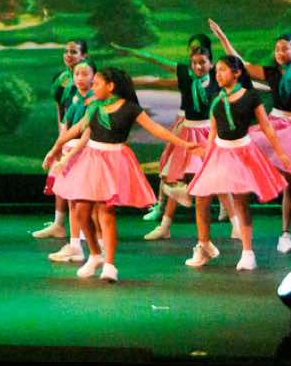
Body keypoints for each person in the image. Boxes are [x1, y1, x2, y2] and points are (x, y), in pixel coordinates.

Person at [38, 66, 198, 282]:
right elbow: (76, 129)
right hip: (91, 160)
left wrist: (184, 144)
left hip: (114, 161)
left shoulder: (130, 108)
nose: (93, 87)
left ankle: (109, 264)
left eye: (97, 83)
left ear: (110, 86)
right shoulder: (94, 106)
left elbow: (156, 129)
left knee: (106, 211)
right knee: (82, 212)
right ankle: (95, 255)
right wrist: (54, 149)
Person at [207, 20, 291, 254]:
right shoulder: (272, 73)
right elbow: (241, 64)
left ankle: (285, 234)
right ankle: (232, 203)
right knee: (241, 151)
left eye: (285, 48)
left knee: (290, 184)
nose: (279, 52)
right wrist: (222, 37)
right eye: (277, 49)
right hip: (275, 124)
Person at [183, 54, 291, 272]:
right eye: (217, 71)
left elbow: (266, 126)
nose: (218, 74)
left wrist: (281, 153)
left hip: (242, 152)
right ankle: (204, 245)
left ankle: (247, 252)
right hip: (220, 151)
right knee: (201, 197)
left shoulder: (250, 97)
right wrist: (206, 154)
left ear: (237, 72)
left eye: (223, 70)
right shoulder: (216, 98)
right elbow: (213, 131)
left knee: (241, 201)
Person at [125, 36, 217, 241]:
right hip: (188, 128)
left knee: (216, 176)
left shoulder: (217, 77)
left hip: (209, 132)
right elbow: (156, 66)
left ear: (211, 62)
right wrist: (133, 54)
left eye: (202, 60)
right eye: (194, 59)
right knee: (176, 176)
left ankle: (234, 222)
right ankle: (164, 222)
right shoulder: (186, 75)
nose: (198, 65)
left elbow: (242, 76)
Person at [32, 39, 90, 243]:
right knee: (61, 177)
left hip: (84, 135)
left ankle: (85, 227)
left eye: (73, 52)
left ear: (84, 56)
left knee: (81, 183)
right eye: (66, 51)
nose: (68, 55)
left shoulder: (89, 78)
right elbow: (61, 109)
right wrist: (61, 137)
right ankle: (58, 224)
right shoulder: (61, 78)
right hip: (67, 134)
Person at [42, 59, 98, 265]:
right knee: (72, 200)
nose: (80, 78)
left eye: (85, 74)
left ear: (94, 77)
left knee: (88, 203)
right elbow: (67, 126)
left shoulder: (94, 101)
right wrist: (56, 150)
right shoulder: (75, 98)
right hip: (69, 151)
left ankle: (97, 248)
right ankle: (75, 246)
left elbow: (85, 133)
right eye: (77, 74)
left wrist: (66, 155)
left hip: (85, 153)